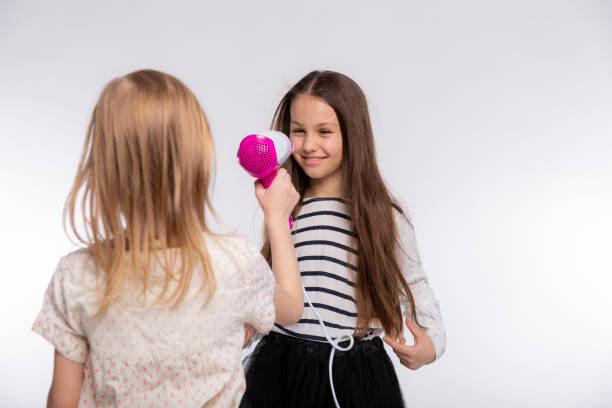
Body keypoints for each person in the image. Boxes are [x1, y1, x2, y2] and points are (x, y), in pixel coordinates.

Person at [32, 69, 302, 408]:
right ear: (198, 163)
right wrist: (277, 218)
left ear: (104, 168)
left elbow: (62, 402)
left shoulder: (76, 276)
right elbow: (291, 307)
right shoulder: (235, 264)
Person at [241, 70, 446, 408]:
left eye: (324, 132)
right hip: (279, 368)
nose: (309, 145)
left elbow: (415, 282)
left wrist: (433, 344)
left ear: (353, 135)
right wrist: (247, 327)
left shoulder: (383, 216)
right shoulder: (286, 206)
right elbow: (274, 286)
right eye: (298, 131)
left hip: (353, 373)